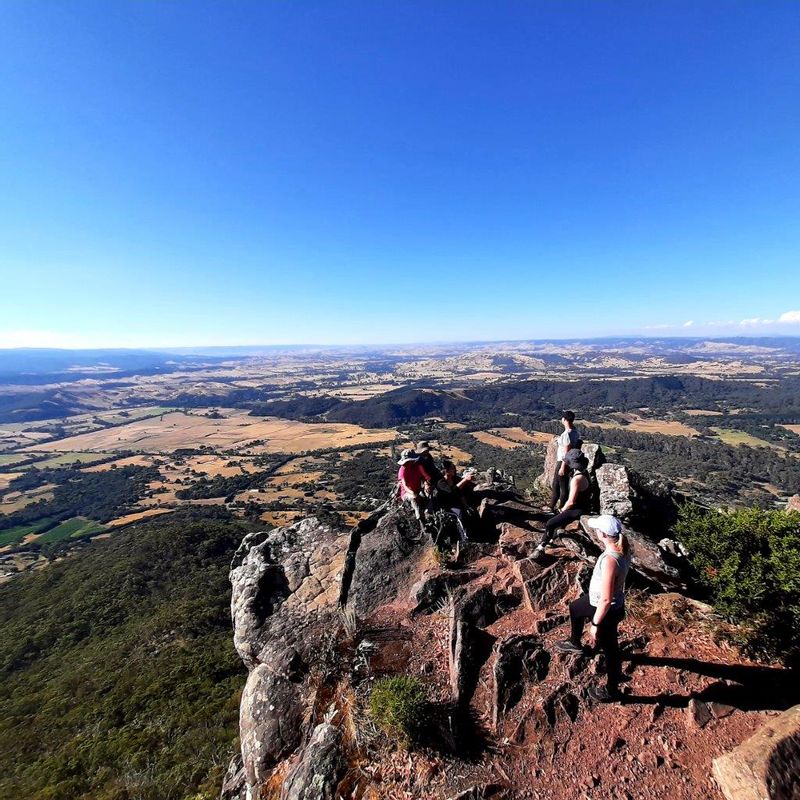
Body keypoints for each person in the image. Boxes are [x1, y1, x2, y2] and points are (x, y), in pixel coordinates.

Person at [555, 514, 631, 703]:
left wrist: (596, 623)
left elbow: (606, 599)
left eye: (597, 529)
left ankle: (612, 690)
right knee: (575, 608)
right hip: (603, 602)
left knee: (611, 650)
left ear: (603, 534)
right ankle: (575, 643)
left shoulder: (610, 560)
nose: (595, 531)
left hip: (606, 608)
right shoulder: (622, 550)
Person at [534, 448, 591, 557]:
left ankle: (541, 547)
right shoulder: (584, 472)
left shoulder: (577, 479)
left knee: (550, 523)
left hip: (577, 510)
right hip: (583, 506)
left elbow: (571, 501)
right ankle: (550, 540)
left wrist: (562, 510)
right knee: (558, 523)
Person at [544, 411, 581, 512]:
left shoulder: (566, 434)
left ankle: (561, 509)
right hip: (571, 461)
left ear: (564, 419)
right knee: (556, 484)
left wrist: (563, 467)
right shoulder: (575, 431)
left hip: (563, 462)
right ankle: (552, 506)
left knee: (563, 487)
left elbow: (566, 451)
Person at [396, 449, 428, 522]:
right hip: (407, 493)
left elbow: (424, 477)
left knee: (429, 493)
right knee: (414, 498)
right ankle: (419, 517)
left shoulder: (417, 467)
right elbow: (405, 485)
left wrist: (426, 484)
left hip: (418, 490)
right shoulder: (402, 470)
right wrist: (413, 493)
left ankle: (428, 511)